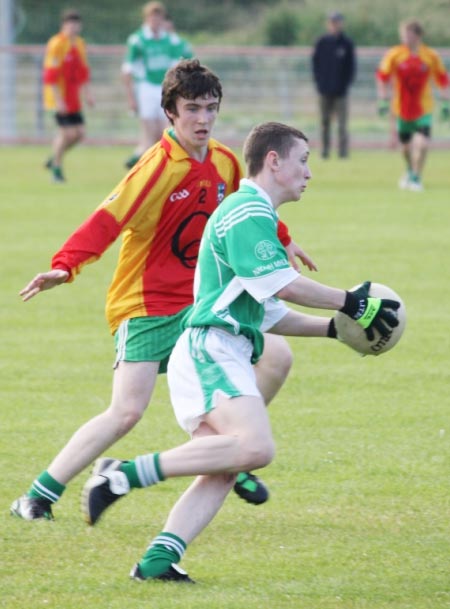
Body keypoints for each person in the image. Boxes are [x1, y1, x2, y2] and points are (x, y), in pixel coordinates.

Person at [81, 122, 400, 584]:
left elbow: (269, 312)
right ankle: (121, 475)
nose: (309, 173)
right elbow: (284, 284)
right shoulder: (246, 209)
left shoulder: (256, 214)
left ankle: (158, 560)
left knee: (225, 466)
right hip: (211, 347)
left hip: (222, 345)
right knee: (255, 447)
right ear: (274, 161)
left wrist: (336, 329)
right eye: (302, 160)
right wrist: (353, 302)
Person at [10, 60, 317, 525]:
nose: (203, 119)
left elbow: (250, 204)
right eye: (192, 108)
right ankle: (37, 495)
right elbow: (106, 220)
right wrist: (64, 266)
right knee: (126, 411)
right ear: (170, 112)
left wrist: (284, 237)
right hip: (146, 304)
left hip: (199, 303)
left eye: (210, 108)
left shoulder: (225, 161)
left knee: (276, 357)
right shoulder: (155, 168)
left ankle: (231, 452)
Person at [376, 19, 450, 192]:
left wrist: (446, 102)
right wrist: (382, 100)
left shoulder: (431, 56)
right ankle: (409, 170)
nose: (405, 39)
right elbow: (382, 77)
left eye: (409, 35)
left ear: (418, 36)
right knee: (406, 148)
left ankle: (416, 177)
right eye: (403, 35)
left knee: (423, 144)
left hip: (424, 109)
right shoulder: (394, 54)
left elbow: (442, 79)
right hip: (401, 109)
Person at [122, 1, 193, 169]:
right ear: (146, 19)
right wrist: (131, 97)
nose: (155, 21)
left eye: (158, 17)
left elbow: (180, 66)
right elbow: (127, 71)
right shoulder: (137, 40)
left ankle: (154, 165)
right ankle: (145, 168)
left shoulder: (170, 41)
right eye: (152, 18)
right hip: (146, 88)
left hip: (165, 90)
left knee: (166, 132)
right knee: (149, 132)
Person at [43, 8, 94, 183]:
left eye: (76, 24)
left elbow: (83, 72)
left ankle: (54, 157)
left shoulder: (80, 43)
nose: (73, 28)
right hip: (58, 96)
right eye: (70, 24)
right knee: (66, 133)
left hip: (73, 97)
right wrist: (58, 101)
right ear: (63, 25)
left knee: (79, 134)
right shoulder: (57, 44)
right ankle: (56, 170)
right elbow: (50, 75)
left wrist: (88, 94)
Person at [311, 11, 356, 159]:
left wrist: (346, 85)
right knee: (324, 122)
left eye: (337, 22)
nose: (335, 25)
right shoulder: (321, 42)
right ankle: (324, 151)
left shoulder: (347, 43)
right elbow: (315, 64)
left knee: (342, 124)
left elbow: (351, 67)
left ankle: (343, 153)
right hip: (324, 90)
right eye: (332, 22)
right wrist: (318, 83)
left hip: (341, 91)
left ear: (341, 23)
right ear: (328, 24)